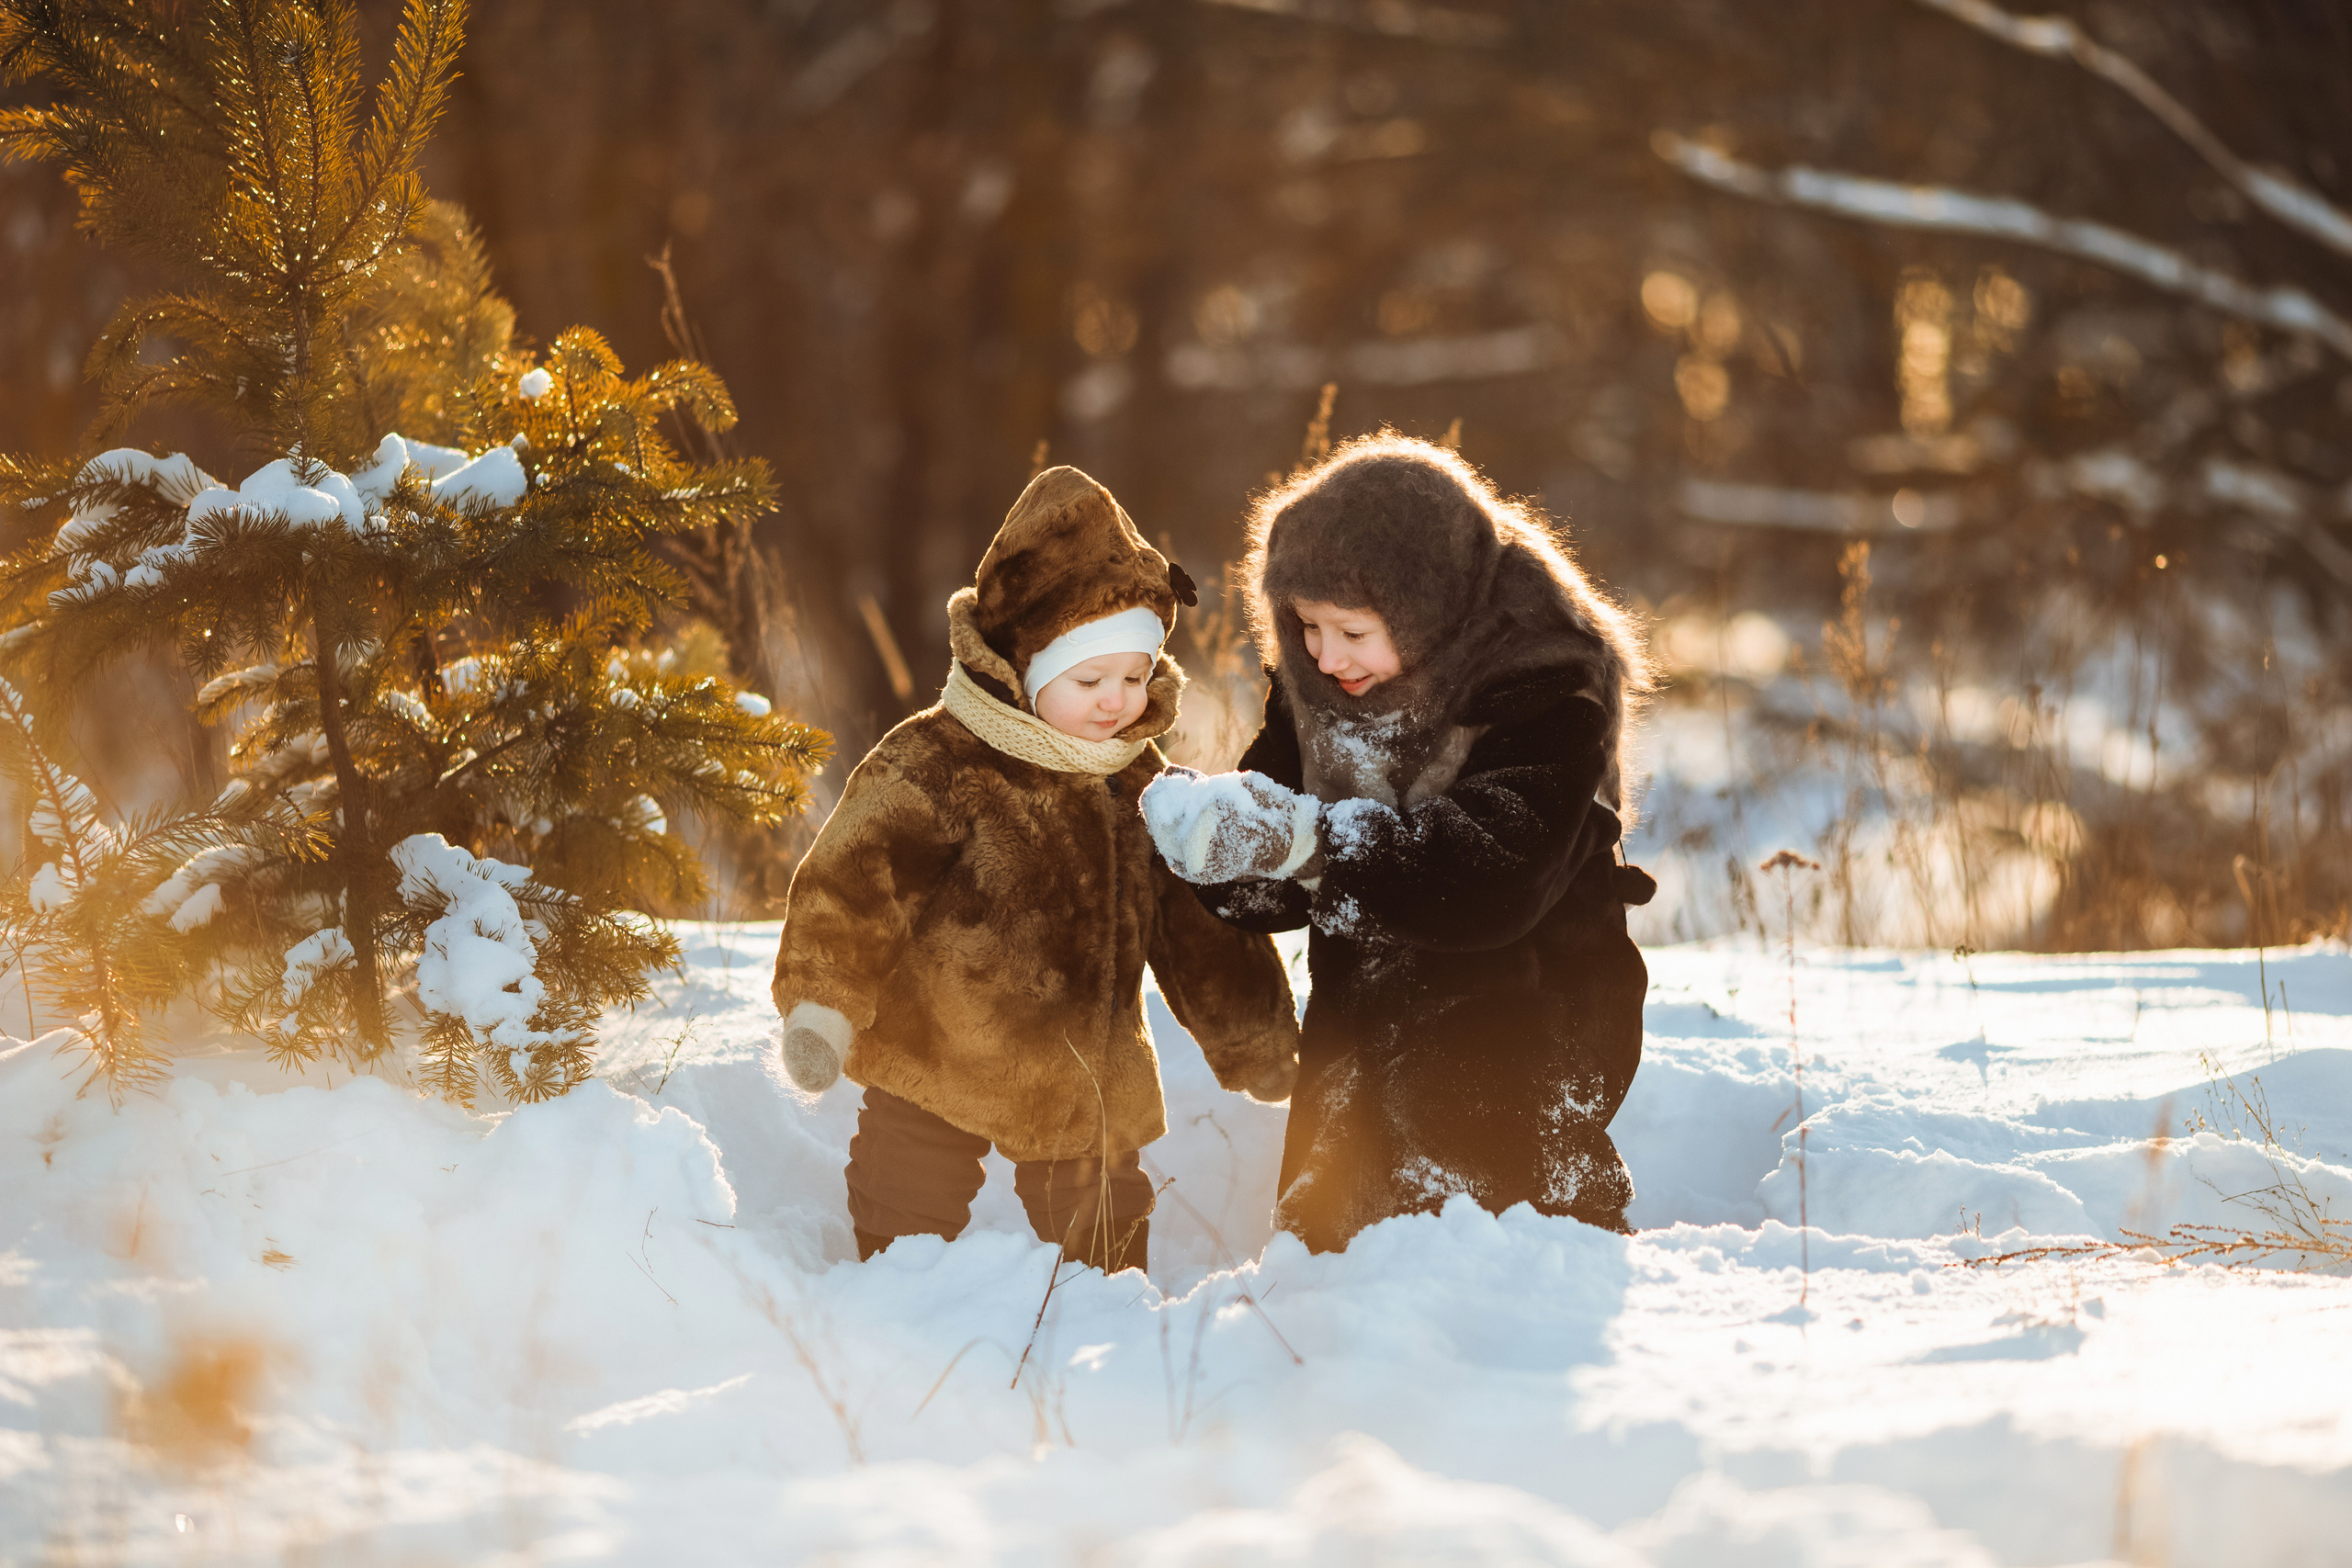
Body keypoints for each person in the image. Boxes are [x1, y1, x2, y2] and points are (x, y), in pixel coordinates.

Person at [771, 466, 1300, 1275]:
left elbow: (1196, 925)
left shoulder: (1143, 784)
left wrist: (1254, 1036)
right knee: (908, 1173)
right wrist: (821, 1006)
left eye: (1134, 675)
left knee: (1106, 1209)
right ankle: (894, 1292)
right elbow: (854, 879)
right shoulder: (939, 759)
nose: (1115, 700)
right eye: (1088, 679)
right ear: (1023, 666)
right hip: (940, 1041)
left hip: (1084, 1057)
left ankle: (1107, 1310)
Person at [1141, 434, 1655, 1251]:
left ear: (1425, 608)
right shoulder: (1319, 690)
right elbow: (1284, 858)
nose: (1324, 654)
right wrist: (1224, 850)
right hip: (1364, 1016)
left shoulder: (1545, 689)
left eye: (1352, 629)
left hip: (1527, 1012)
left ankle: (1528, 1268)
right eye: (1306, 625)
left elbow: (1491, 881)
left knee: (1483, 1227)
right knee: (1336, 1239)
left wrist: (1307, 844)